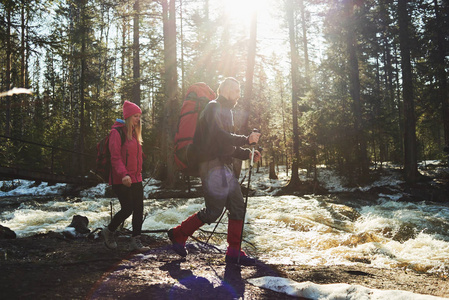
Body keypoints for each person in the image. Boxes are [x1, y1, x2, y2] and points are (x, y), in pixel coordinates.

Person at [168, 77, 262, 265]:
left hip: (223, 165)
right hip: (211, 166)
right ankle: (178, 234)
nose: (239, 95)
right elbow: (218, 136)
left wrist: (247, 154)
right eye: (236, 91)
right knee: (214, 211)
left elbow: (224, 144)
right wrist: (246, 139)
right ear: (226, 90)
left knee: (237, 206)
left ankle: (234, 251)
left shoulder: (227, 112)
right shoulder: (212, 107)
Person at [101, 100, 149, 252]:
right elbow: (115, 157)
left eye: (139, 116)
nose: (138, 119)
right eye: (135, 116)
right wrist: (124, 174)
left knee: (139, 209)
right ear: (128, 117)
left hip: (136, 178)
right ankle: (109, 231)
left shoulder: (135, 134)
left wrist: (139, 173)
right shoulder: (116, 133)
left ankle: (135, 240)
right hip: (120, 178)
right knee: (128, 208)